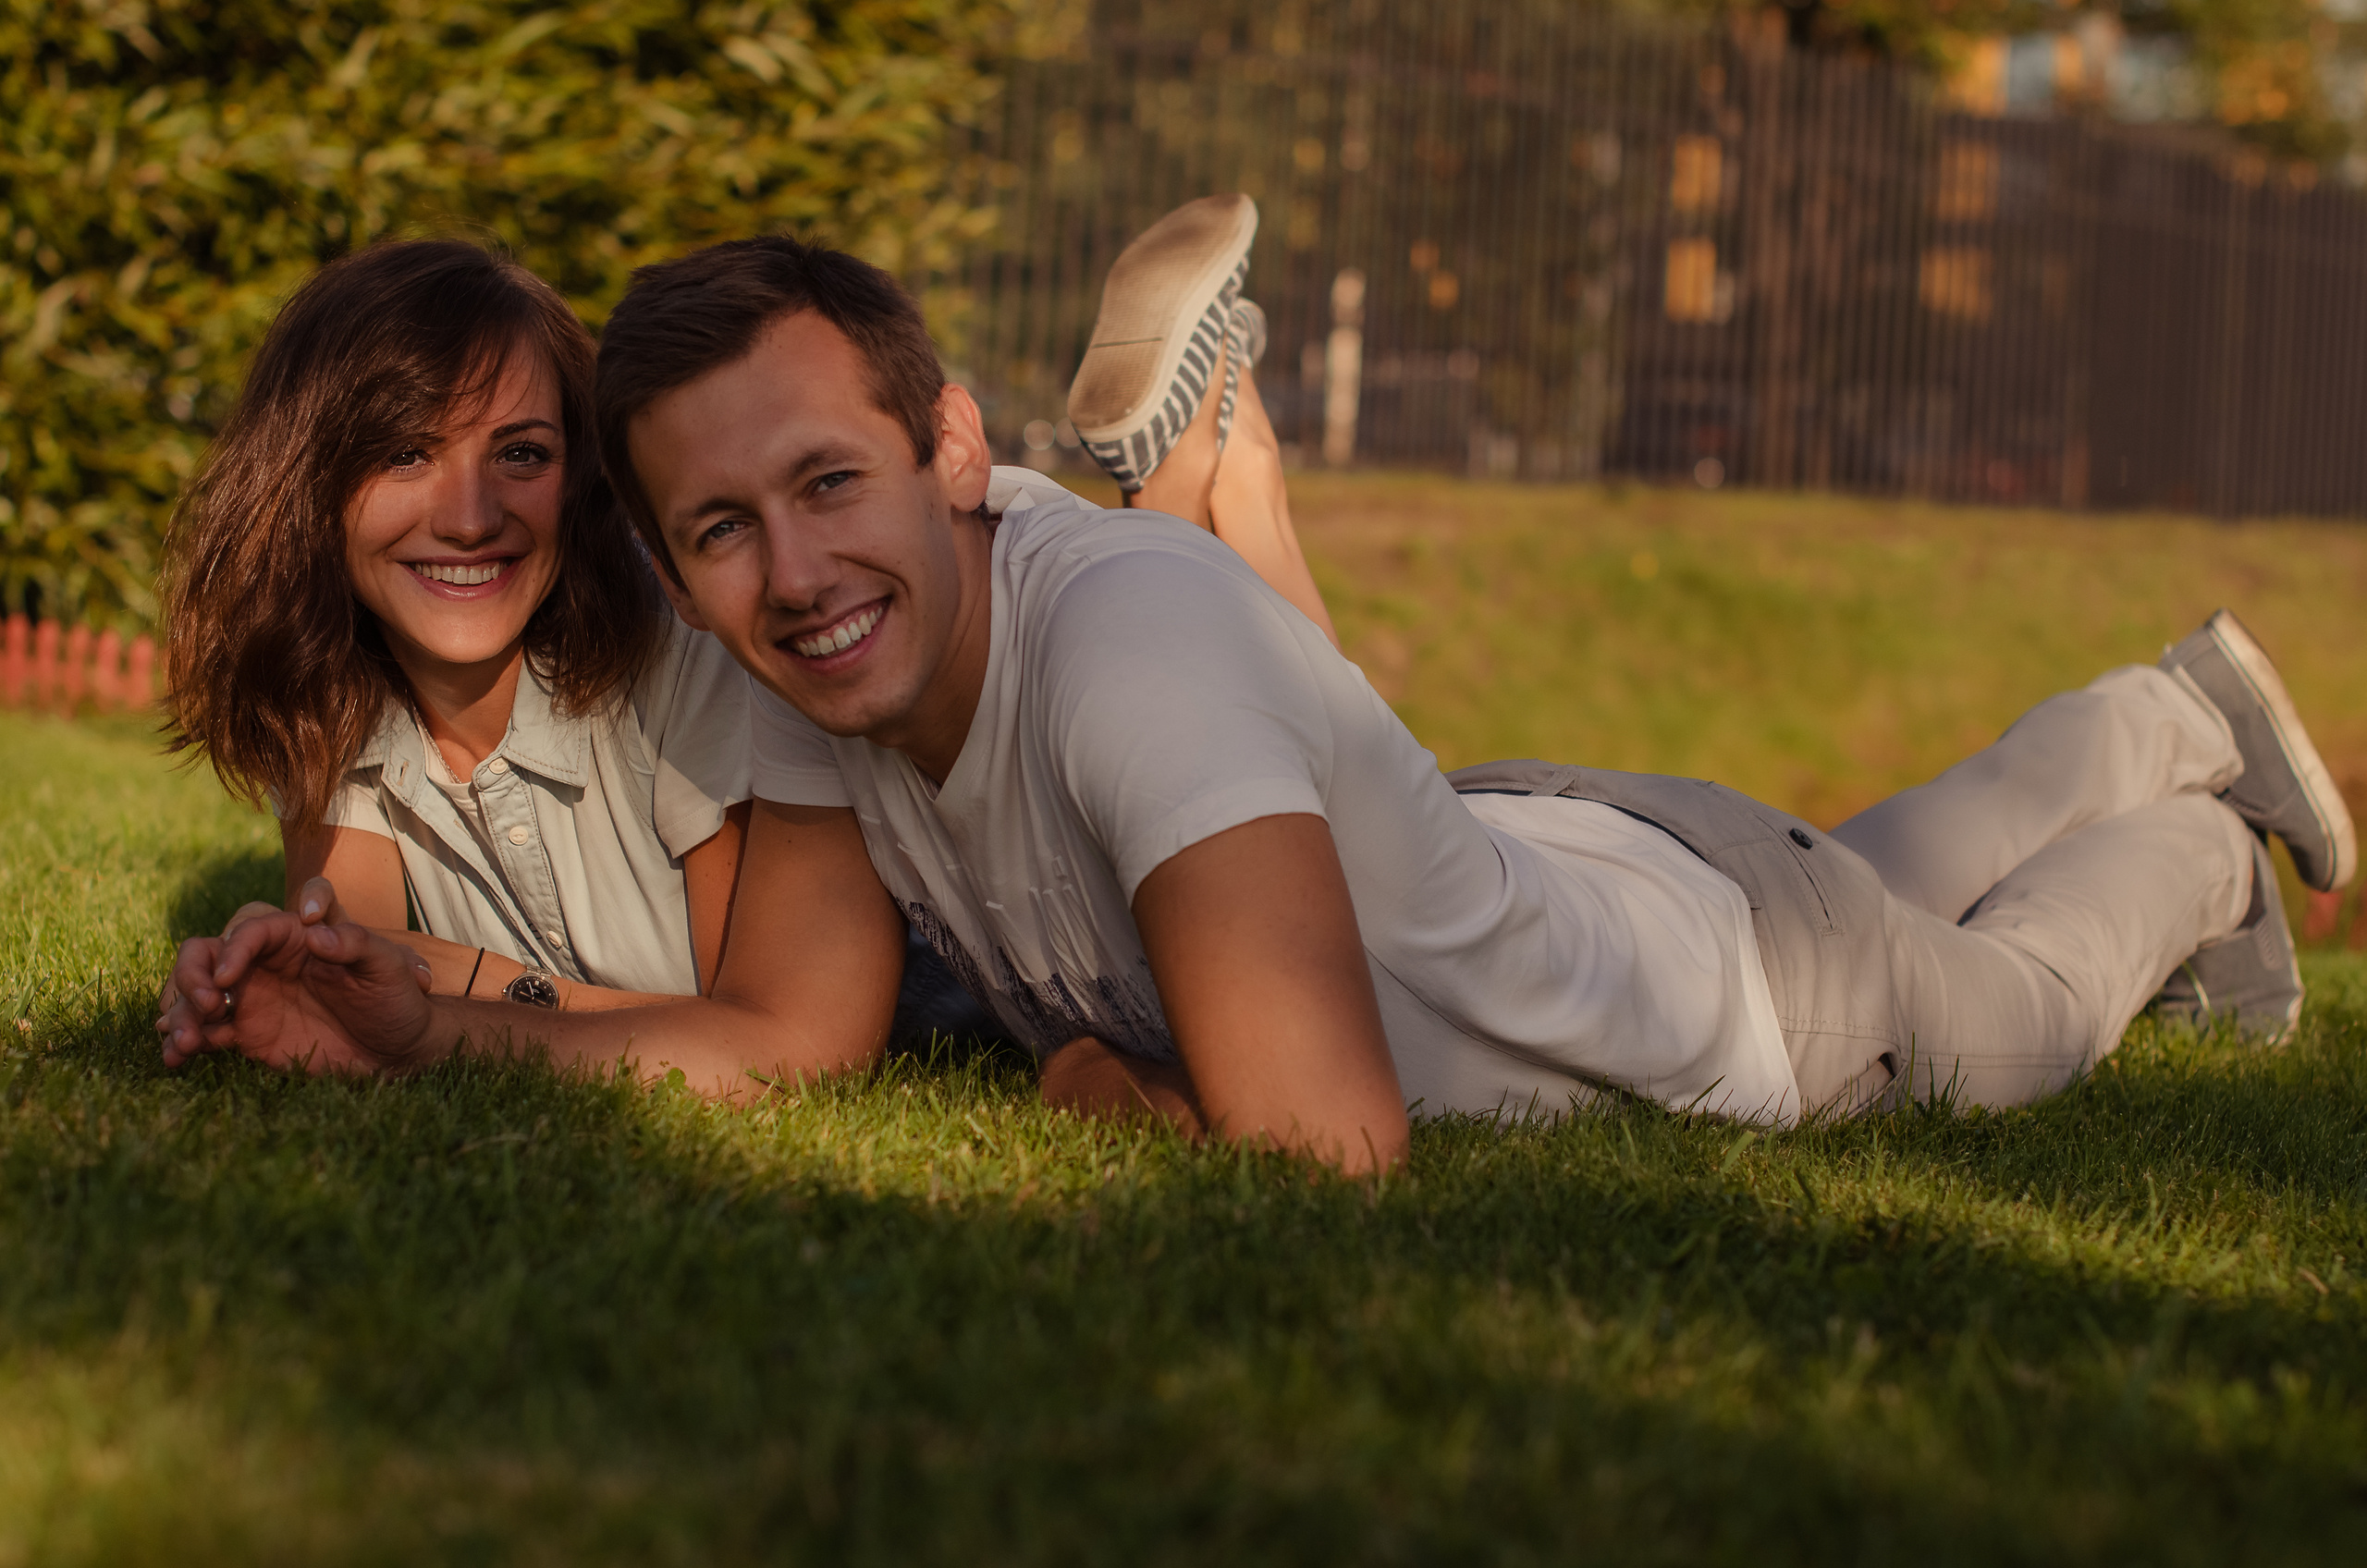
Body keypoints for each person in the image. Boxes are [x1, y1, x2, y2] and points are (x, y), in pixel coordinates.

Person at [158, 214, 2352, 1176]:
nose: (792, 573)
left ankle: (2188, 832)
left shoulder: (1120, 649)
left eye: (832, 485)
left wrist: (1101, 1097)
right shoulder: (841, 653)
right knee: (1872, 855)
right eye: (720, 528)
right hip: (1587, 847)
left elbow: (1323, 1146)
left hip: (1741, 1009)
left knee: (2017, 1012)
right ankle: (2170, 704)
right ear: (666, 555)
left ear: (952, 455)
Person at [158, 239, 756, 1016]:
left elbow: (761, 1030)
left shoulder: (689, 650)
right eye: (405, 454)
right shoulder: (327, 679)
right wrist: (286, 961)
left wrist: (469, 979)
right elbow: (360, 983)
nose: (471, 520)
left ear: (580, 478)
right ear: (307, 486)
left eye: (521, 453)